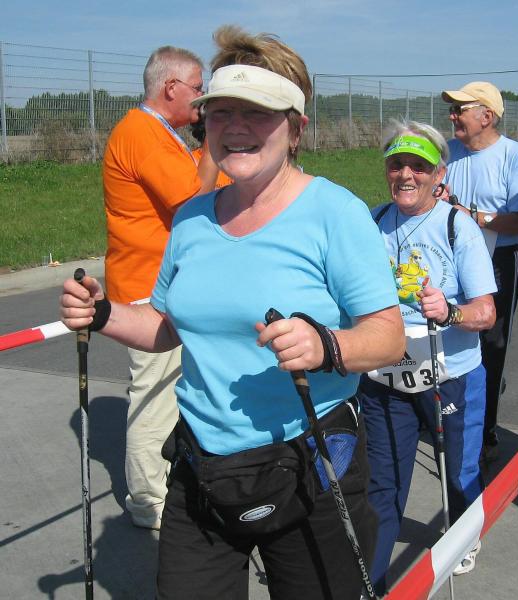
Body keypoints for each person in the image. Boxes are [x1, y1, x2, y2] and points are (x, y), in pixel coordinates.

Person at [62, 25, 404, 600]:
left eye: (258, 112)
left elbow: (389, 338)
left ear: (295, 128)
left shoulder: (335, 213)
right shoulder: (192, 218)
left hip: (312, 462)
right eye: (221, 112)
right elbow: (167, 328)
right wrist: (102, 313)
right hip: (202, 466)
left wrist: (327, 346)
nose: (236, 127)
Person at [359, 120, 497, 593]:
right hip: (385, 375)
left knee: (457, 473)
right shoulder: (373, 222)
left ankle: (465, 535)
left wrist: (450, 311)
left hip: (450, 373)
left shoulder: (458, 227)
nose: (406, 175)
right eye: (396, 164)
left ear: (439, 174)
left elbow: (486, 312)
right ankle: (373, 581)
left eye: (418, 166)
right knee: (383, 482)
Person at [103, 45, 221, 530]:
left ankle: (165, 486)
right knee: (154, 397)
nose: (202, 98)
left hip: (164, 286)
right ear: (171, 87)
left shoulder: (162, 134)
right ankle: (149, 502)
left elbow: (205, 179)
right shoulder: (141, 133)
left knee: (171, 392)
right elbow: (192, 198)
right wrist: (214, 139)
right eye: (198, 89)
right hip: (145, 290)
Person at [441, 81, 518, 458]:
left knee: (490, 347)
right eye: (452, 109)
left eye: (460, 109)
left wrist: (474, 217)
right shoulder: (448, 152)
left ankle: (484, 431)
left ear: (486, 115)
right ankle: (447, 417)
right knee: (448, 338)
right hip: (451, 260)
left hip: (497, 260)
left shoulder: (513, 155)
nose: (452, 116)